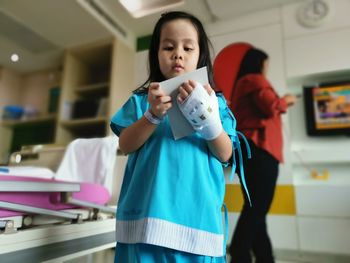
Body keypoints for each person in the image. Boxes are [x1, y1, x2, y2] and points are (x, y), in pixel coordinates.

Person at [110, 11, 244, 263]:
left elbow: (225, 153)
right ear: (156, 54)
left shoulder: (216, 103)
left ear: (200, 55)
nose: (178, 54)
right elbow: (125, 144)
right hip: (145, 222)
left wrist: (208, 120)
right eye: (168, 46)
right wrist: (152, 116)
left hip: (197, 223)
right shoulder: (141, 101)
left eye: (188, 47)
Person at [228, 48, 297, 263]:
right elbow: (271, 106)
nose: (267, 69)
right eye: (266, 64)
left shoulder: (243, 83)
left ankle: (265, 257)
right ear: (259, 63)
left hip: (250, 152)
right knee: (257, 209)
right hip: (260, 150)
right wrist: (286, 99)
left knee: (256, 210)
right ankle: (239, 252)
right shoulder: (254, 80)